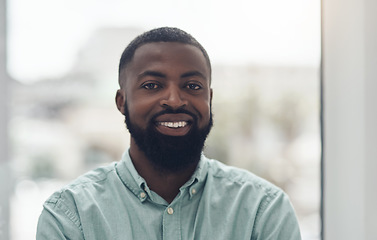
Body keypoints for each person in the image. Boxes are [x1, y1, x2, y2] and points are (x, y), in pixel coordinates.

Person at [37, 27, 301, 239]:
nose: (175, 100)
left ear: (209, 99)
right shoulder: (70, 216)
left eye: (192, 85)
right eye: (152, 85)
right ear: (121, 101)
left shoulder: (263, 211)